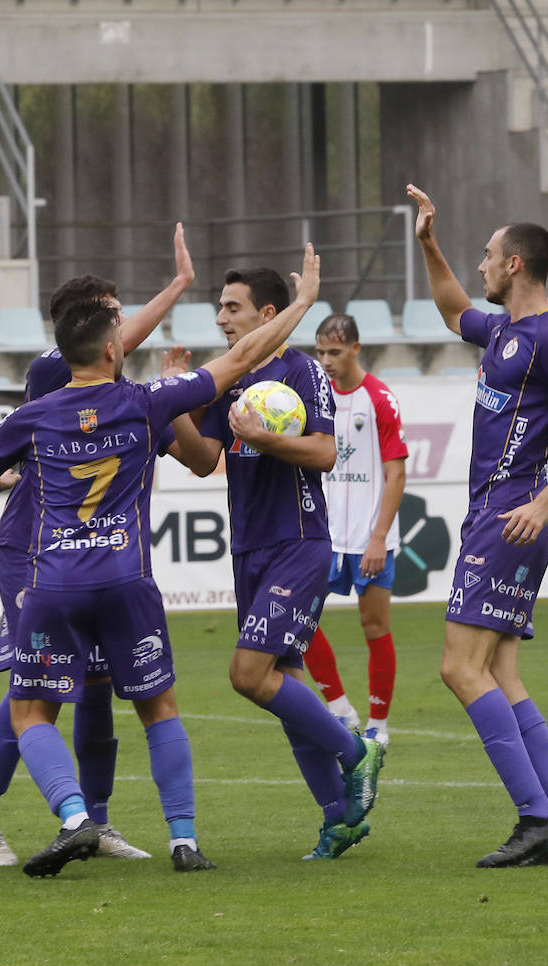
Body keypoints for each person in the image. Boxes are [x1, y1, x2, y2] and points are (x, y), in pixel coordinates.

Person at [0, 243, 322, 877]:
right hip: (125, 576)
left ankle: (77, 817)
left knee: (31, 706)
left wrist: (12, 478)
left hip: (55, 577)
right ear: (111, 345)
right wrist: (305, 302)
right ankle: (182, 837)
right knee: (158, 706)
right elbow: (240, 358)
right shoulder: (145, 399)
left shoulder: (33, 414)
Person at [0, 225, 195, 868]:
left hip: (83, 553)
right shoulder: (52, 369)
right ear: (85, 329)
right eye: (115, 318)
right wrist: (177, 285)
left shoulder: (112, 387)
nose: (123, 328)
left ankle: (94, 821)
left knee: (95, 686)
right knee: (29, 689)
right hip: (33, 550)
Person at [407, 184, 548, 867]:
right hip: (495, 519)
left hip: (510, 519)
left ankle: (535, 816)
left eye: (489, 256)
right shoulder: (503, 332)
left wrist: (545, 499)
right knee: (499, 669)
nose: (481, 265)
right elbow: (452, 310)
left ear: (517, 265)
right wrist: (429, 246)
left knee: (458, 668)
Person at [166, 269, 386, 862]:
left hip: (298, 542)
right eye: (219, 306)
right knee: (282, 688)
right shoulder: (228, 379)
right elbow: (203, 458)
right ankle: (338, 819)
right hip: (250, 552)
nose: (220, 317)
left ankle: (356, 752)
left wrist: (263, 438)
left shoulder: (301, 371)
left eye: (232, 306)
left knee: (247, 674)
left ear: (268, 315)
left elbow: (322, 452)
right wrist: (174, 406)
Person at [304, 313, 409, 748]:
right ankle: (339, 709)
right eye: (320, 352)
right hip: (323, 538)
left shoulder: (380, 399)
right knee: (301, 623)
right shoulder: (312, 396)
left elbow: (396, 473)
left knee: (374, 628)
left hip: (368, 538)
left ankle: (379, 725)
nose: (326, 361)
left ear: (355, 348)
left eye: (334, 352)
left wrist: (379, 537)